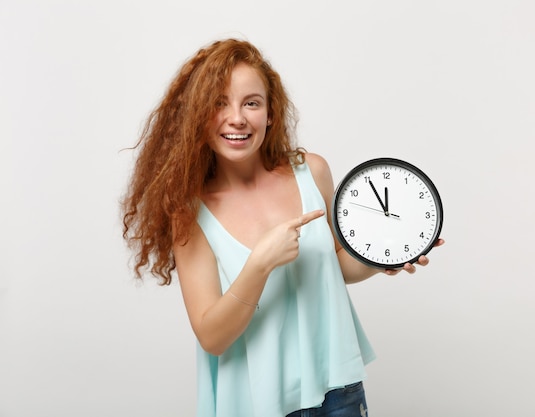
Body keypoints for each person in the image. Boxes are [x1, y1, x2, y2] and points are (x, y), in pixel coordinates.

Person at [122, 38, 444, 417]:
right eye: (218, 103)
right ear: (196, 115)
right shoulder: (189, 213)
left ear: (270, 113)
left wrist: (381, 256)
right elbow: (212, 336)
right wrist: (259, 264)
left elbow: (334, 266)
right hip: (258, 404)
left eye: (251, 103)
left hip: (337, 391)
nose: (236, 117)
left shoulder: (313, 172)